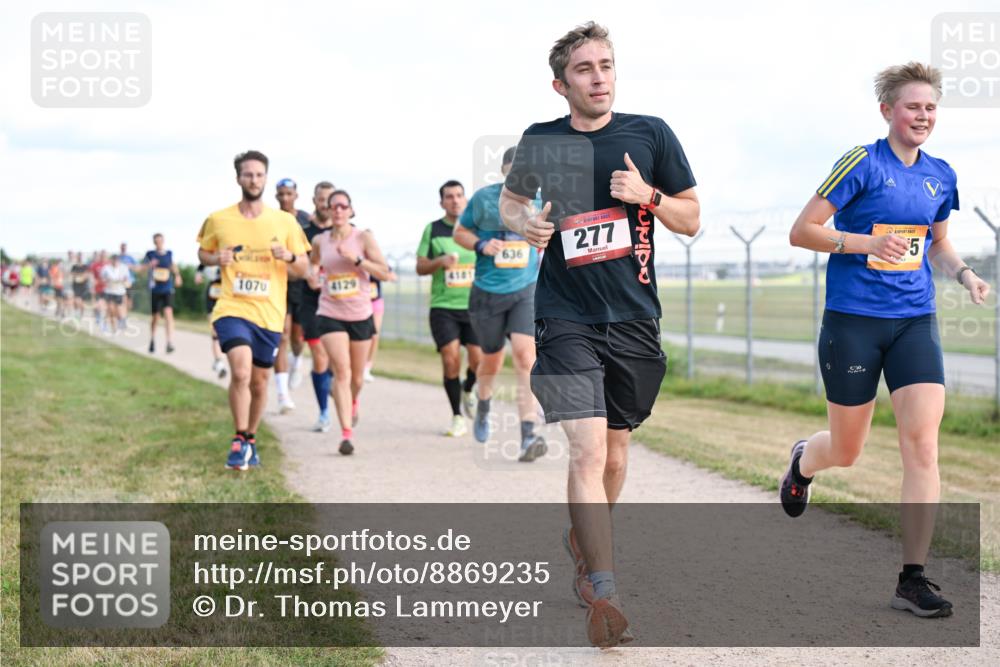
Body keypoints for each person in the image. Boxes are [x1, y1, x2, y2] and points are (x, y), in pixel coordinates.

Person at [499, 22, 700, 647]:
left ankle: (585, 541)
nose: (599, 77)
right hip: (563, 316)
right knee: (586, 453)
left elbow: (691, 219)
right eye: (585, 69)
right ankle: (605, 591)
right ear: (561, 84)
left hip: (635, 319)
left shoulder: (651, 133)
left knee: (615, 455)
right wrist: (526, 222)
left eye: (606, 65)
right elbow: (510, 202)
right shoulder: (541, 140)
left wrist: (649, 194)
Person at [780, 62, 992, 619]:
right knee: (846, 451)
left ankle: (912, 578)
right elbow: (803, 231)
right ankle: (805, 462)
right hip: (853, 321)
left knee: (922, 444)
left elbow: (938, 243)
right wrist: (863, 242)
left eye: (930, 108)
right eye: (912, 106)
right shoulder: (861, 162)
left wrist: (965, 273)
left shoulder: (940, 174)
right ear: (887, 111)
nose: (922, 116)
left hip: (914, 321)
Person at [197, 150, 310, 471]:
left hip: (270, 313)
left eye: (259, 175)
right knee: (242, 371)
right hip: (232, 306)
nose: (254, 180)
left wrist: (288, 256)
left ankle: (250, 438)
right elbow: (203, 253)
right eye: (248, 174)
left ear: (266, 178)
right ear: (238, 178)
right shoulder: (219, 219)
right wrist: (216, 259)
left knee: (260, 383)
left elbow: (303, 268)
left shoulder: (285, 222)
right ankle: (238, 439)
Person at [454, 146, 546, 461]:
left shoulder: (541, 201)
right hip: (487, 292)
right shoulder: (483, 199)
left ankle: (528, 435)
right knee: (490, 362)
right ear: (505, 171)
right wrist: (481, 243)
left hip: (525, 289)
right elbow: (460, 232)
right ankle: (483, 406)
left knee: (524, 357)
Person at [306, 189, 392, 455]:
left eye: (343, 206)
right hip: (330, 313)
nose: (338, 210)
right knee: (340, 372)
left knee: (356, 378)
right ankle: (346, 434)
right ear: (328, 211)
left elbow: (384, 273)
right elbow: (313, 264)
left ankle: (352, 401)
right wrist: (313, 277)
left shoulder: (363, 237)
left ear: (351, 211)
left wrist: (356, 259)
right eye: (334, 206)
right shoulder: (321, 240)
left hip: (360, 315)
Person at [416, 180, 483, 437]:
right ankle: (457, 416)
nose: (454, 200)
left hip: (475, 305)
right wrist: (439, 262)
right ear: (442, 202)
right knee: (450, 357)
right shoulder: (432, 230)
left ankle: (469, 388)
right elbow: (420, 267)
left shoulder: (476, 228)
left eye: (459, 195)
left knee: (478, 359)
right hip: (443, 306)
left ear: (465, 199)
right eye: (449, 197)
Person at [297, 181, 337, 432]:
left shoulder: (348, 232)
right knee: (320, 356)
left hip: (340, 305)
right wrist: (307, 274)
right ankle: (323, 412)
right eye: (322, 200)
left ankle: (334, 386)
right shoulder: (303, 233)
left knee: (338, 361)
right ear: (314, 202)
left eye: (331, 200)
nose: (326, 205)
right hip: (310, 302)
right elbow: (297, 262)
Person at [273, 178, 313, 413]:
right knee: (282, 336)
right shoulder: (271, 220)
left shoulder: (306, 220)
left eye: (289, 193)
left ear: (296, 195)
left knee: (298, 338)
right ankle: (282, 394)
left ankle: (297, 362)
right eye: (281, 194)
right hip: (279, 283)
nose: (285, 198)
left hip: (301, 285)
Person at [143, 234, 182, 353]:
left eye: (160, 241)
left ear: (163, 241)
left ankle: (169, 342)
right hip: (155, 289)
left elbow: (172, 266)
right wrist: (150, 265)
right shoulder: (150, 254)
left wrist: (177, 276)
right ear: (154, 242)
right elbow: (142, 268)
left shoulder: (169, 254)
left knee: (168, 313)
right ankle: (152, 339)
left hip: (167, 288)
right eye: (156, 241)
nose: (158, 243)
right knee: (156, 317)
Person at [194, 262, 228, 379]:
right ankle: (219, 362)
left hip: (229, 296)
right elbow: (203, 263)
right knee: (215, 331)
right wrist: (198, 275)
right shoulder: (213, 251)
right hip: (213, 294)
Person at [101, 254, 133, 332]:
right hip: (109, 291)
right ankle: (113, 327)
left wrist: (124, 281)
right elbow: (102, 278)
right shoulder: (106, 268)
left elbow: (128, 279)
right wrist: (106, 280)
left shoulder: (124, 268)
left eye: (116, 260)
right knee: (111, 309)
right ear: (111, 260)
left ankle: (120, 321)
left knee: (119, 308)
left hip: (119, 291)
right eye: (113, 260)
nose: (115, 262)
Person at [90, 250, 109, 332]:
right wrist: (92, 285)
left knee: (105, 307)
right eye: (102, 255)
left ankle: (104, 323)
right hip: (97, 288)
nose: (103, 257)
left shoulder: (109, 265)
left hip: (107, 289)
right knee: (98, 305)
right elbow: (91, 276)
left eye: (104, 255)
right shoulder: (95, 265)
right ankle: (97, 316)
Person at [119, 242, 137, 324]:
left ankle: (125, 315)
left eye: (124, 247)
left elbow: (137, 268)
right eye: (122, 247)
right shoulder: (117, 258)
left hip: (130, 282)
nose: (123, 248)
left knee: (129, 303)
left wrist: (130, 266)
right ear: (120, 248)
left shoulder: (130, 258)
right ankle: (123, 318)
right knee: (123, 300)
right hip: (120, 282)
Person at [69, 252, 89, 318]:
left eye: (81, 257)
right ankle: (76, 313)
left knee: (82, 303)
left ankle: (81, 314)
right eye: (78, 257)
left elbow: (86, 276)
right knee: (76, 300)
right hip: (76, 286)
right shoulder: (74, 266)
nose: (80, 258)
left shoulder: (85, 266)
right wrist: (80, 275)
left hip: (83, 286)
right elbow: (72, 275)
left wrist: (78, 275)